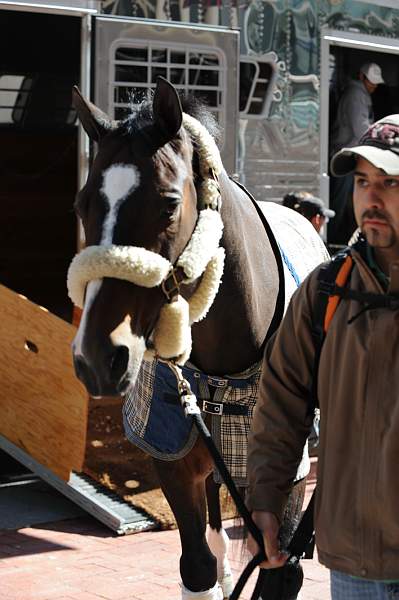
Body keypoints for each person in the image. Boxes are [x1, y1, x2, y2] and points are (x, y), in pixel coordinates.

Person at [247, 113, 399, 599]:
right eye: (361, 182)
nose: (370, 199)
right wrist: (266, 500)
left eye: (391, 182)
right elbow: (281, 402)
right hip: (353, 561)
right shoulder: (326, 292)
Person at [329, 62, 385, 245]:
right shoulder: (356, 95)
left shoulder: (360, 94)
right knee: (339, 201)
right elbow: (360, 129)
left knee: (346, 202)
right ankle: (330, 239)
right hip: (347, 155)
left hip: (354, 156)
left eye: (376, 82)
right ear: (361, 77)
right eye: (371, 81)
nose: (374, 85)